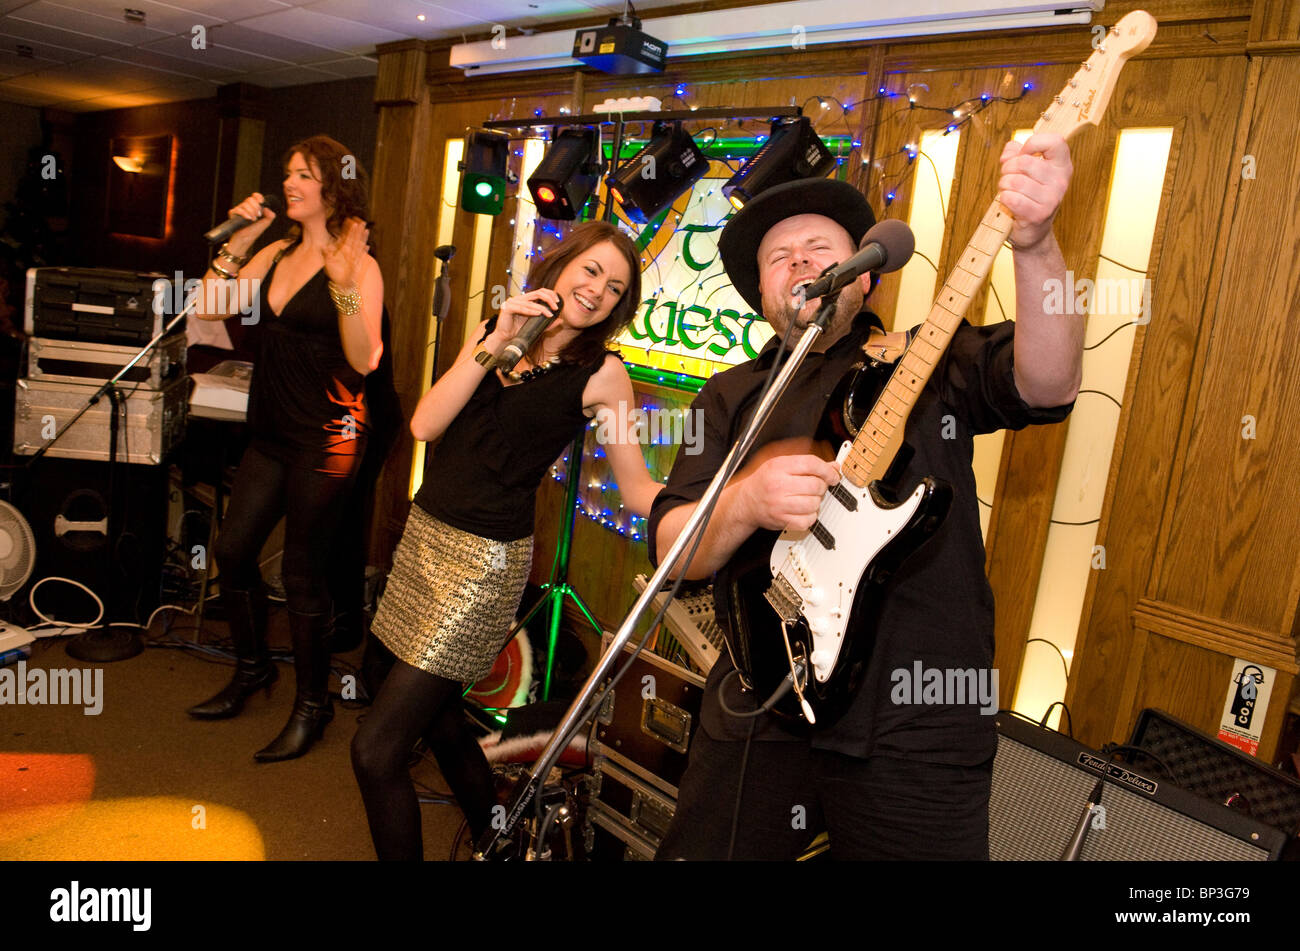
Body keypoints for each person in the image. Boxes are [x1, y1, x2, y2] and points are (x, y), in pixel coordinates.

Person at [648, 134, 1080, 859]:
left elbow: (1048, 383)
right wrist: (747, 500)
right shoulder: (729, 395)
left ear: (865, 277)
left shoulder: (925, 360)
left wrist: (1034, 244)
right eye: (778, 259)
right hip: (763, 693)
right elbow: (673, 550)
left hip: (914, 718)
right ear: (761, 295)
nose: (801, 264)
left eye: (821, 248)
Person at [351, 220, 662, 860]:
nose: (598, 289)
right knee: (438, 722)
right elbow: (426, 423)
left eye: (615, 287)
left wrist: (727, 501)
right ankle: (501, 834)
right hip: (424, 537)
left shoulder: (603, 374)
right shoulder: (501, 332)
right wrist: (494, 341)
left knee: (375, 749)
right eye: (592, 269)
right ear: (561, 265)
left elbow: (635, 487)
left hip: (482, 565)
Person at [187, 135, 384, 763]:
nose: (290, 183)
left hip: (329, 436)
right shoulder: (274, 251)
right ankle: (252, 670)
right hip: (271, 431)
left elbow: (365, 359)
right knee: (234, 548)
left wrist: (343, 284)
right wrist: (239, 240)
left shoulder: (360, 263)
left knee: (303, 574)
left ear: (333, 185)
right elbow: (208, 307)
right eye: (287, 173)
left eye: (303, 174)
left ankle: (313, 705)